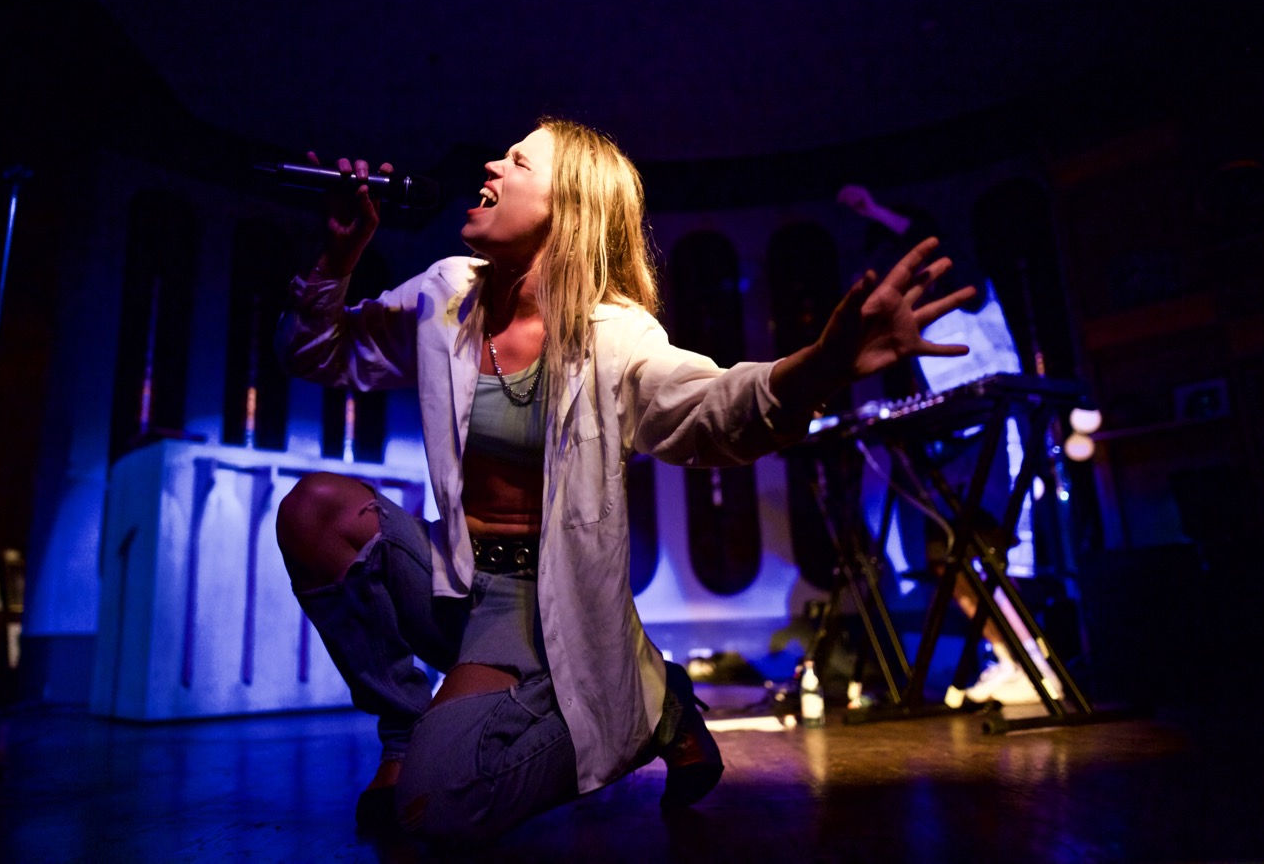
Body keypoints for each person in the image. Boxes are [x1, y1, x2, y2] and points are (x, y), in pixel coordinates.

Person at [272, 119, 975, 844]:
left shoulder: (615, 335)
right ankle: (404, 733)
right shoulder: (446, 294)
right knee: (315, 512)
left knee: (435, 808)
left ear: (570, 208)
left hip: (534, 607)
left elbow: (717, 409)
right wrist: (339, 255)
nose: (492, 166)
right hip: (451, 579)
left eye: (519, 163)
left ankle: (645, 706)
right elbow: (311, 352)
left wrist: (824, 364)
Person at [836, 183, 1062, 707]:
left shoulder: (964, 285)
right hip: (960, 443)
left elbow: (926, 235)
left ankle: (1035, 662)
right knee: (949, 557)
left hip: (1000, 433)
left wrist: (875, 210)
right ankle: (1011, 658)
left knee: (995, 552)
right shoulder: (913, 320)